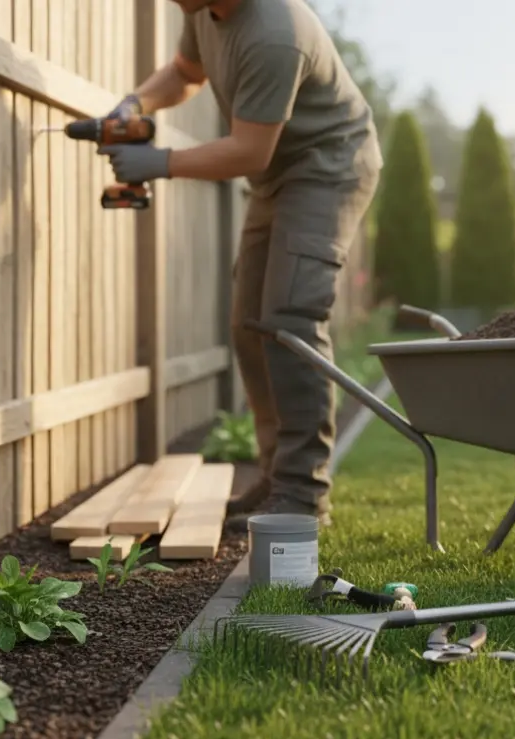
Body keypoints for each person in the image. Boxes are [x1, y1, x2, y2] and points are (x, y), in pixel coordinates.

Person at [100, 0, 382, 527]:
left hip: (330, 168)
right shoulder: (205, 11)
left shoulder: (276, 32)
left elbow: (249, 150)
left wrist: (159, 163)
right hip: (278, 177)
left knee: (291, 318)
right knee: (250, 324)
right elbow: (187, 72)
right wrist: (135, 104)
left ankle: (303, 495)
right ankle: (276, 475)